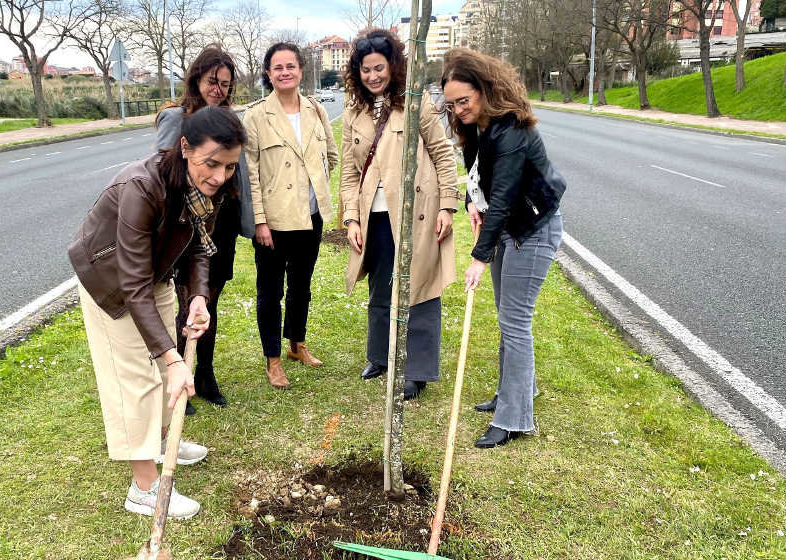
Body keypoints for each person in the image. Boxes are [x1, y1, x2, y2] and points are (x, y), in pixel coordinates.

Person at [69, 107, 247, 518]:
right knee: (138, 377)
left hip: (157, 274)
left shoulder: (208, 184)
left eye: (229, 166)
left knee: (161, 371)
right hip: (110, 282)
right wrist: (171, 357)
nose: (219, 176)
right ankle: (144, 488)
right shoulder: (141, 186)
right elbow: (132, 285)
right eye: (211, 163)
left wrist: (199, 296)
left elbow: (201, 244)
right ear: (185, 147)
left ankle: (163, 440)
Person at [441, 48, 566, 448]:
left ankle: (513, 418)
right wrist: (470, 204)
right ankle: (514, 392)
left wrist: (479, 256)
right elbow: (479, 180)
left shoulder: (511, 130)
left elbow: (507, 195)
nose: (458, 109)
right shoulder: (478, 127)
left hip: (532, 230)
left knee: (515, 321)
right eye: (451, 103)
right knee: (507, 318)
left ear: (485, 90)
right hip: (509, 228)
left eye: (464, 100)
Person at [339, 29, 459, 400]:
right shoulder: (353, 113)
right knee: (379, 287)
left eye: (379, 68)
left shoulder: (415, 103)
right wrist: (351, 218)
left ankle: (414, 369)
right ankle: (380, 356)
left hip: (414, 214)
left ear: (393, 66)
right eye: (366, 70)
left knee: (417, 287)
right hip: (372, 217)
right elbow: (347, 172)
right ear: (357, 73)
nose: (373, 76)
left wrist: (447, 205)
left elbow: (442, 155)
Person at [155, 45, 254, 412]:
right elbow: (167, 173)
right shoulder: (177, 117)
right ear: (197, 78)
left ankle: (207, 373)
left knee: (209, 301)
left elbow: (239, 173)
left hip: (221, 222)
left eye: (226, 83)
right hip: (187, 224)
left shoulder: (229, 118)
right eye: (213, 81)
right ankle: (182, 373)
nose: (219, 89)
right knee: (185, 303)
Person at [242, 42, 339, 389]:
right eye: (277, 67)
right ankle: (273, 360)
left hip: (310, 217)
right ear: (268, 73)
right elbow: (250, 172)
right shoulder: (255, 116)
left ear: (300, 70)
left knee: (302, 286)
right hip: (274, 222)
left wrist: (317, 188)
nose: (285, 72)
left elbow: (330, 153)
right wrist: (260, 221)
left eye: (291, 66)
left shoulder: (315, 110)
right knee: (270, 291)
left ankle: (297, 344)